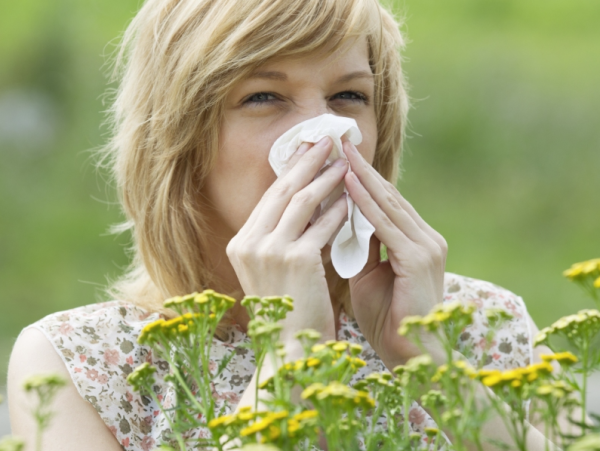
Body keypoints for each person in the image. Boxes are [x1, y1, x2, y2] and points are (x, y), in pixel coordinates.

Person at [7, 0, 576, 450]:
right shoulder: (80, 362)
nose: (326, 132)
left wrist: (432, 365)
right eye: (264, 97)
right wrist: (291, 360)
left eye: (349, 95)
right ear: (180, 140)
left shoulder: (479, 325)